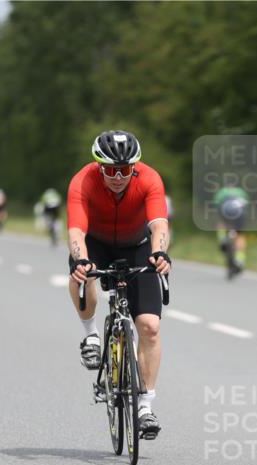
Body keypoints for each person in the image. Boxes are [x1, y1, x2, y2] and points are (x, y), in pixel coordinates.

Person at [67, 130, 171, 439]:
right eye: (110, 170)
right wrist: (80, 260)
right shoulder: (83, 181)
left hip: (137, 245)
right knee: (81, 273)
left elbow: (159, 224)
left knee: (150, 327)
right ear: (99, 166)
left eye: (124, 170)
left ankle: (145, 407)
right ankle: (91, 336)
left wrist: (159, 252)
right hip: (96, 243)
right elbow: (76, 231)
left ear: (134, 167)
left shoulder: (150, 179)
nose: (117, 177)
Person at [214, 185, 249, 277]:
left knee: (221, 222)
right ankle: (240, 260)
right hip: (240, 215)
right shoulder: (241, 192)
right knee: (240, 236)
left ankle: (222, 239)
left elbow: (217, 206)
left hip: (226, 212)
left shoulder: (222, 192)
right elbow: (246, 205)